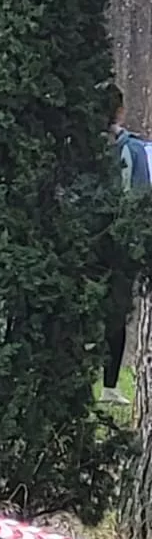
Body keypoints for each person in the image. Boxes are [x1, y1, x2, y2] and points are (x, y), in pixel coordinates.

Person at [104, 85, 150, 406]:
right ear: (119, 111)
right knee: (116, 314)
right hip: (118, 245)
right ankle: (108, 385)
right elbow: (139, 198)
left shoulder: (69, 144)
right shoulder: (132, 149)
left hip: (88, 241)